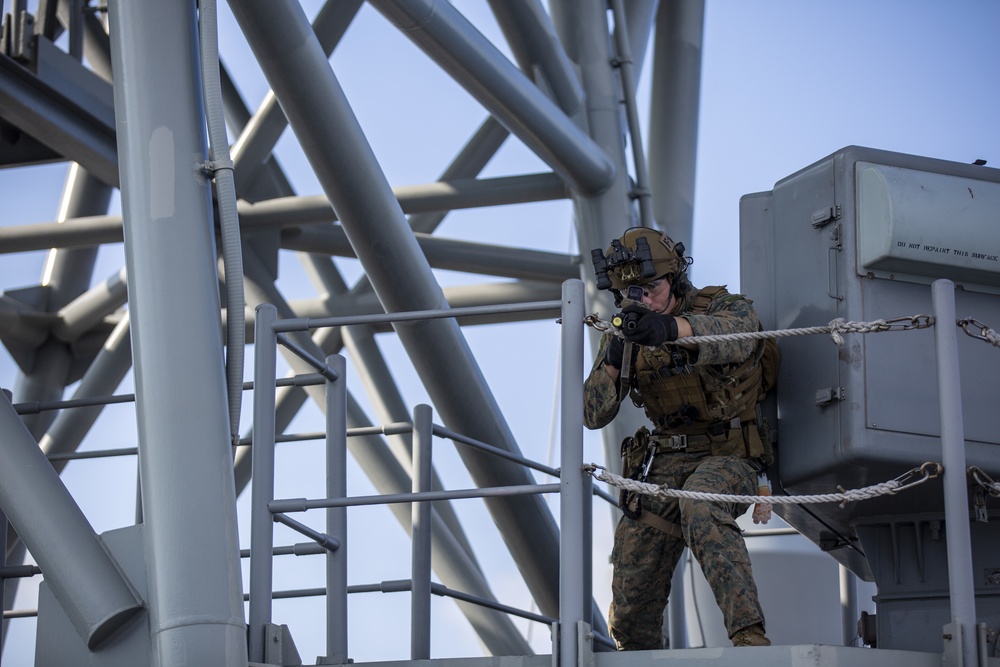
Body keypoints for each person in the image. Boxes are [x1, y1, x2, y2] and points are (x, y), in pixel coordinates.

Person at [584, 226, 771, 649]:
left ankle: (750, 639)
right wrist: (615, 355)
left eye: (651, 287)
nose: (643, 299)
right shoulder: (623, 333)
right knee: (632, 583)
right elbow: (593, 414)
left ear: (674, 279)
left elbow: (741, 334)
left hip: (730, 453)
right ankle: (636, 654)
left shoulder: (717, 306)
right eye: (631, 292)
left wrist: (671, 330)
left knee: (700, 505)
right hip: (664, 461)